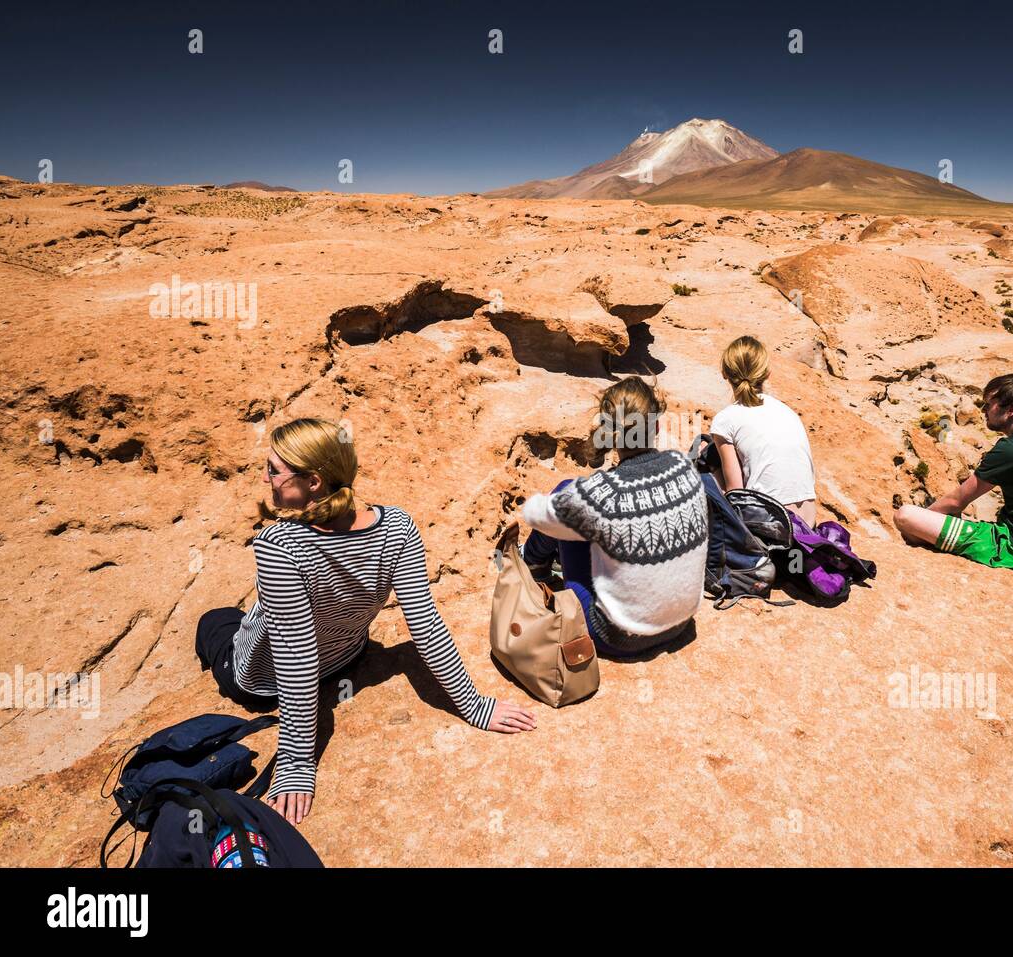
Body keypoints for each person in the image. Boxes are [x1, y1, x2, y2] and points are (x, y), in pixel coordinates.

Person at [196, 418, 535, 825]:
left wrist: (298, 761)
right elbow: (424, 625)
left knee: (214, 621)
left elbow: (298, 659)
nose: (266, 478)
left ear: (315, 482)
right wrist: (474, 706)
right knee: (246, 616)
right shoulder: (397, 525)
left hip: (261, 681)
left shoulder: (278, 544)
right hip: (349, 657)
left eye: (273, 469)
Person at [501, 377, 707, 657]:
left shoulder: (604, 492)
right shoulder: (685, 468)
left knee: (567, 499)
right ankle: (539, 558)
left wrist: (574, 503)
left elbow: (535, 515)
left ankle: (533, 561)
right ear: (656, 425)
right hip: (681, 624)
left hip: (617, 637)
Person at [892, 372, 1013, 571]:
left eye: (988, 404)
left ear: (1011, 409)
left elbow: (958, 500)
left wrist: (919, 527)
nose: (983, 411)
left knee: (906, 516)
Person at [709, 335, 817, 525]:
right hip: (808, 520)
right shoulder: (787, 411)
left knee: (705, 465)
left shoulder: (725, 420)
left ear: (724, 372)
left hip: (772, 524)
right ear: (767, 373)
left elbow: (735, 493)